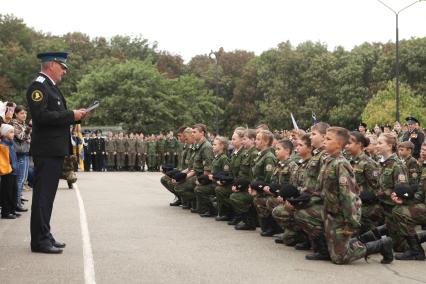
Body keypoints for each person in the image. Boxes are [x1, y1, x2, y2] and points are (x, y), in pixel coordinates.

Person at [26, 52, 87, 254]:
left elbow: (54, 115)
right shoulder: (39, 86)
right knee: (43, 196)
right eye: (62, 67)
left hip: (52, 150)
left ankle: (45, 234)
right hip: (46, 150)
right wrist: (71, 115)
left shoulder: (49, 87)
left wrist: (75, 116)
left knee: (47, 197)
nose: (64, 71)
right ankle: (40, 240)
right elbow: (42, 116)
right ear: (51, 64)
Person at [319, 127, 393, 265]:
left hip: (341, 214)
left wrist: (351, 222)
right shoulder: (328, 161)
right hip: (330, 212)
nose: (324, 142)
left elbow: (348, 195)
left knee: (340, 258)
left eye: (328, 139)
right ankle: (365, 239)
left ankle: (381, 244)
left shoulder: (341, 164)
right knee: (333, 253)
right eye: (324, 138)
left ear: (339, 144)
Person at [345, 131, 384, 233]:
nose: (346, 146)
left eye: (349, 143)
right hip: (355, 203)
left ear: (359, 144)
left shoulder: (368, 163)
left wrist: (367, 196)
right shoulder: (349, 162)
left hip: (368, 206)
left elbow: (378, 188)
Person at [11, 105, 31, 212]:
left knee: (23, 179)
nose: (24, 115)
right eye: (22, 113)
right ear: (16, 114)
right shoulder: (14, 124)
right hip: (19, 153)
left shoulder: (23, 124)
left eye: (25, 113)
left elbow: (28, 138)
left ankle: (18, 200)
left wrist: (27, 134)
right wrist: (28, 129)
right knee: (20, 179)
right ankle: (16, 203)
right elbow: (22, 137)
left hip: (25, 152)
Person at [0, 124, 19, 219]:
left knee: (13, 191)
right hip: (8, 171)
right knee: (7, 192)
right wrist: (11, 166)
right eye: (11, 132)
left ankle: (12, 210)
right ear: (4, 133)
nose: (13, 134)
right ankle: (6, 212)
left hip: (14, 170)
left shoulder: (11, 143)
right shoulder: (3, 144)